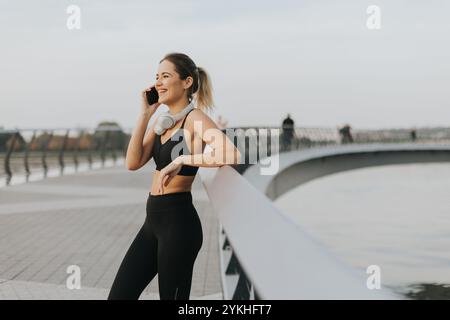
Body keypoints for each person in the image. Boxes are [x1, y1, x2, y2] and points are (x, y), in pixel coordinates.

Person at [108, 52, 241, 300]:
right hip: (153, 223)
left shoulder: (194, 119)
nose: (158, 82)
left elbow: (231, 153)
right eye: (156, 77)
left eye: (166, 76)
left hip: (179, 225)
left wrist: (184, 159)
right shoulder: (162, 121)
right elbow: (132, 162)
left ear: (187, 82)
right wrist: (146, 114)